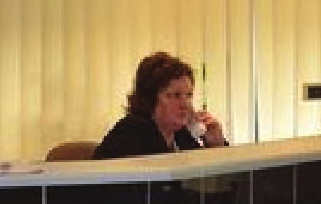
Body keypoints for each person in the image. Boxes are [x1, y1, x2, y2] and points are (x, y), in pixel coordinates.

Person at [93, 52, 226, 160]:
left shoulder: (180, 135)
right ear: (150, 98)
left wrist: (216, 146)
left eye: (188, 95)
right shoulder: (130, 133)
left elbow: (207, 180)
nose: (185, 104)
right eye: (175, 95)